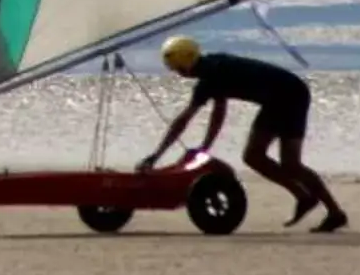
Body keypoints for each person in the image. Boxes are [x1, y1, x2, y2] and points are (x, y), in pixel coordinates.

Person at [142, 34, 347, 233]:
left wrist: (156, 155)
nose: (177, 73)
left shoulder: (210, 77)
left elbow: (184, 120)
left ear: (184, 64)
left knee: (254, 156)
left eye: (176, 69)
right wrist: (205, 147)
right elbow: (218, 112)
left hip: (283, 97)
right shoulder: (213, 66)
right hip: (296, 90)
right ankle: (330, 210)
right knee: (290, 164)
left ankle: (307, 198)